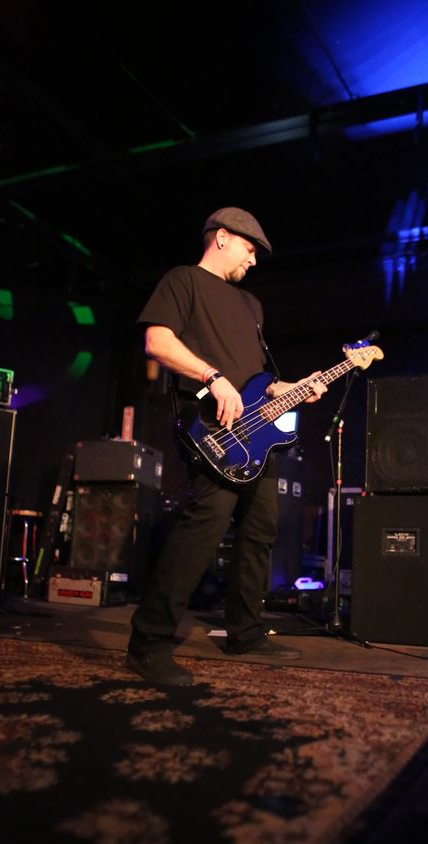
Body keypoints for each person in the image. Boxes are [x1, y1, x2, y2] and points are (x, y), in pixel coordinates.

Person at [126, 207, 327, 685]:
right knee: (205, 525)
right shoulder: (183, 281)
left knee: (261, 529)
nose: (253, 261)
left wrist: (294, 387)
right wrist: (211, 376)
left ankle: (246, 632)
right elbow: (157, 341)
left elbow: (260, 381)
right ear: (221, 238)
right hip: (211, 427)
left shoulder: (251, 305)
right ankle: (148, 644)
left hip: (255, 435)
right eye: (249, 249)